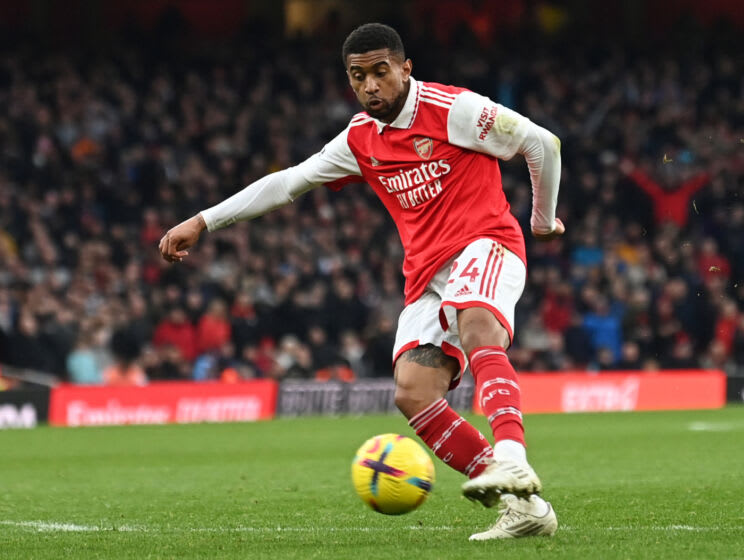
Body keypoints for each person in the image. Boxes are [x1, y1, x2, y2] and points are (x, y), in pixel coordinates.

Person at [159, 23, 563, 540]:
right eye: (358, 77)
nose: (371, 85)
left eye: (380, 72)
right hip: (427, 277)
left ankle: (511, 454)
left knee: (478, 321)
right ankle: (523, 507)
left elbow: (541, 144)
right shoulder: (359, 139)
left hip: (487, 245)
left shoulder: (453, 110)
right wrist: (203, 220)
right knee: (414, 393)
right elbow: (288, 183)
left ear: (404, 68)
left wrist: (542, 220)